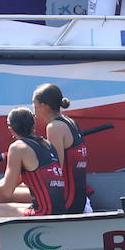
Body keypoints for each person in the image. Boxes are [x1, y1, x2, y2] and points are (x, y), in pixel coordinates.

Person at [0, 106, 66, 217]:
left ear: (10, 129)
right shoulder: (47, 144)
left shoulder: (17, 147)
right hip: (58, 208)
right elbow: (15, 181)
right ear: (33, 125)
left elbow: (6, 191)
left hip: (44, 212)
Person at [32, 83, 88, 214]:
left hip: (66, 202)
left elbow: (56, 171)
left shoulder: (54, 127)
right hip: (78, 198)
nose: (32, 108)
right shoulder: (69, 121)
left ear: (44, 106)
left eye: (34, 104)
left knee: (2, 196)